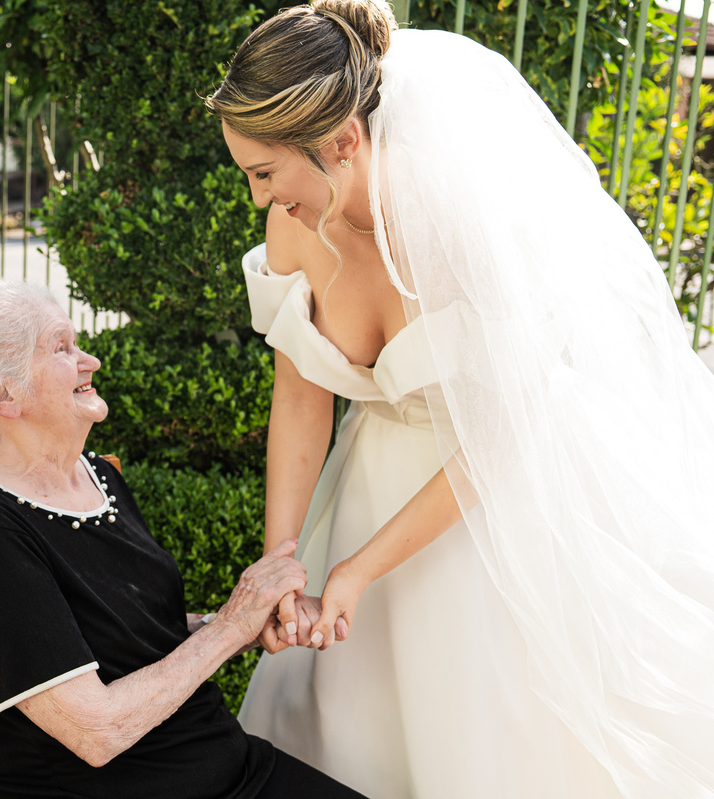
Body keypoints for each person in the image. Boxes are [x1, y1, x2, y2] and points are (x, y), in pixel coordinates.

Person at [205, 2, 714, 798]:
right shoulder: (291, 227)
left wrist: (359, 571)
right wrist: (283, 564)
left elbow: (499, 439)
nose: (258, 197)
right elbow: (301, 397)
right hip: (369, 490)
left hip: (500, 505)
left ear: (340, 141)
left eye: (264, 171)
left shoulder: (466, 226)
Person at [0, 281, 368, 799]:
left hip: (224, 768)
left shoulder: (94, 475)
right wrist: (229, 629)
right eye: (62, 348)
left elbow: (125, 638)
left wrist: (237, 622)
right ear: (1, 393)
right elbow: (97, 730)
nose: (90, 361)